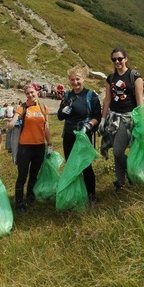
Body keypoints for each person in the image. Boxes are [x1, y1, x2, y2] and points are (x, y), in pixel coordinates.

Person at [99, 47, 144, 191]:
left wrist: (141, 119)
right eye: (114, 59)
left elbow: (139, 99)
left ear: (126, 59)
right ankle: (120, 181)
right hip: (113, 118)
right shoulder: (110, 78)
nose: (117, 62)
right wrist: (103, 118)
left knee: (118, 151)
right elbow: (107, 99)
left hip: (128, 118)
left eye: (120, 58)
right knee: (116, 152)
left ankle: (133, 173)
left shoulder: (134, 76)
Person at [57, 66, 101, 204]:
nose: (75, 83)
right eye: (72, 80)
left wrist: (88, 126)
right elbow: (59, 117)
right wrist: (65, 109)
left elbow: (97, 116)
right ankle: (75, 195)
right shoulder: (67, 96)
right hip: (69, 134)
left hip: (83, 135)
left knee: (85, 165)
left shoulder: (90, 95)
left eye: (77, 79)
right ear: (69, 81)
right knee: (71, 165)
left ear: (83, 79)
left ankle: (91, 195)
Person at [6, 84, 52, 214]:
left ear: (37, 91)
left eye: (32, 92)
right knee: (22, 175)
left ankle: (30, 195)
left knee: (34, 174)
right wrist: (11, 124)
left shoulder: (43, 108)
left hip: (39, 146)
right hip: (25, 147)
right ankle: (19, 202)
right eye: (27, 94)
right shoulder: (23, 107)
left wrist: (50, 144)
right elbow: (14, 120)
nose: (30, 95)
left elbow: (46, 127)